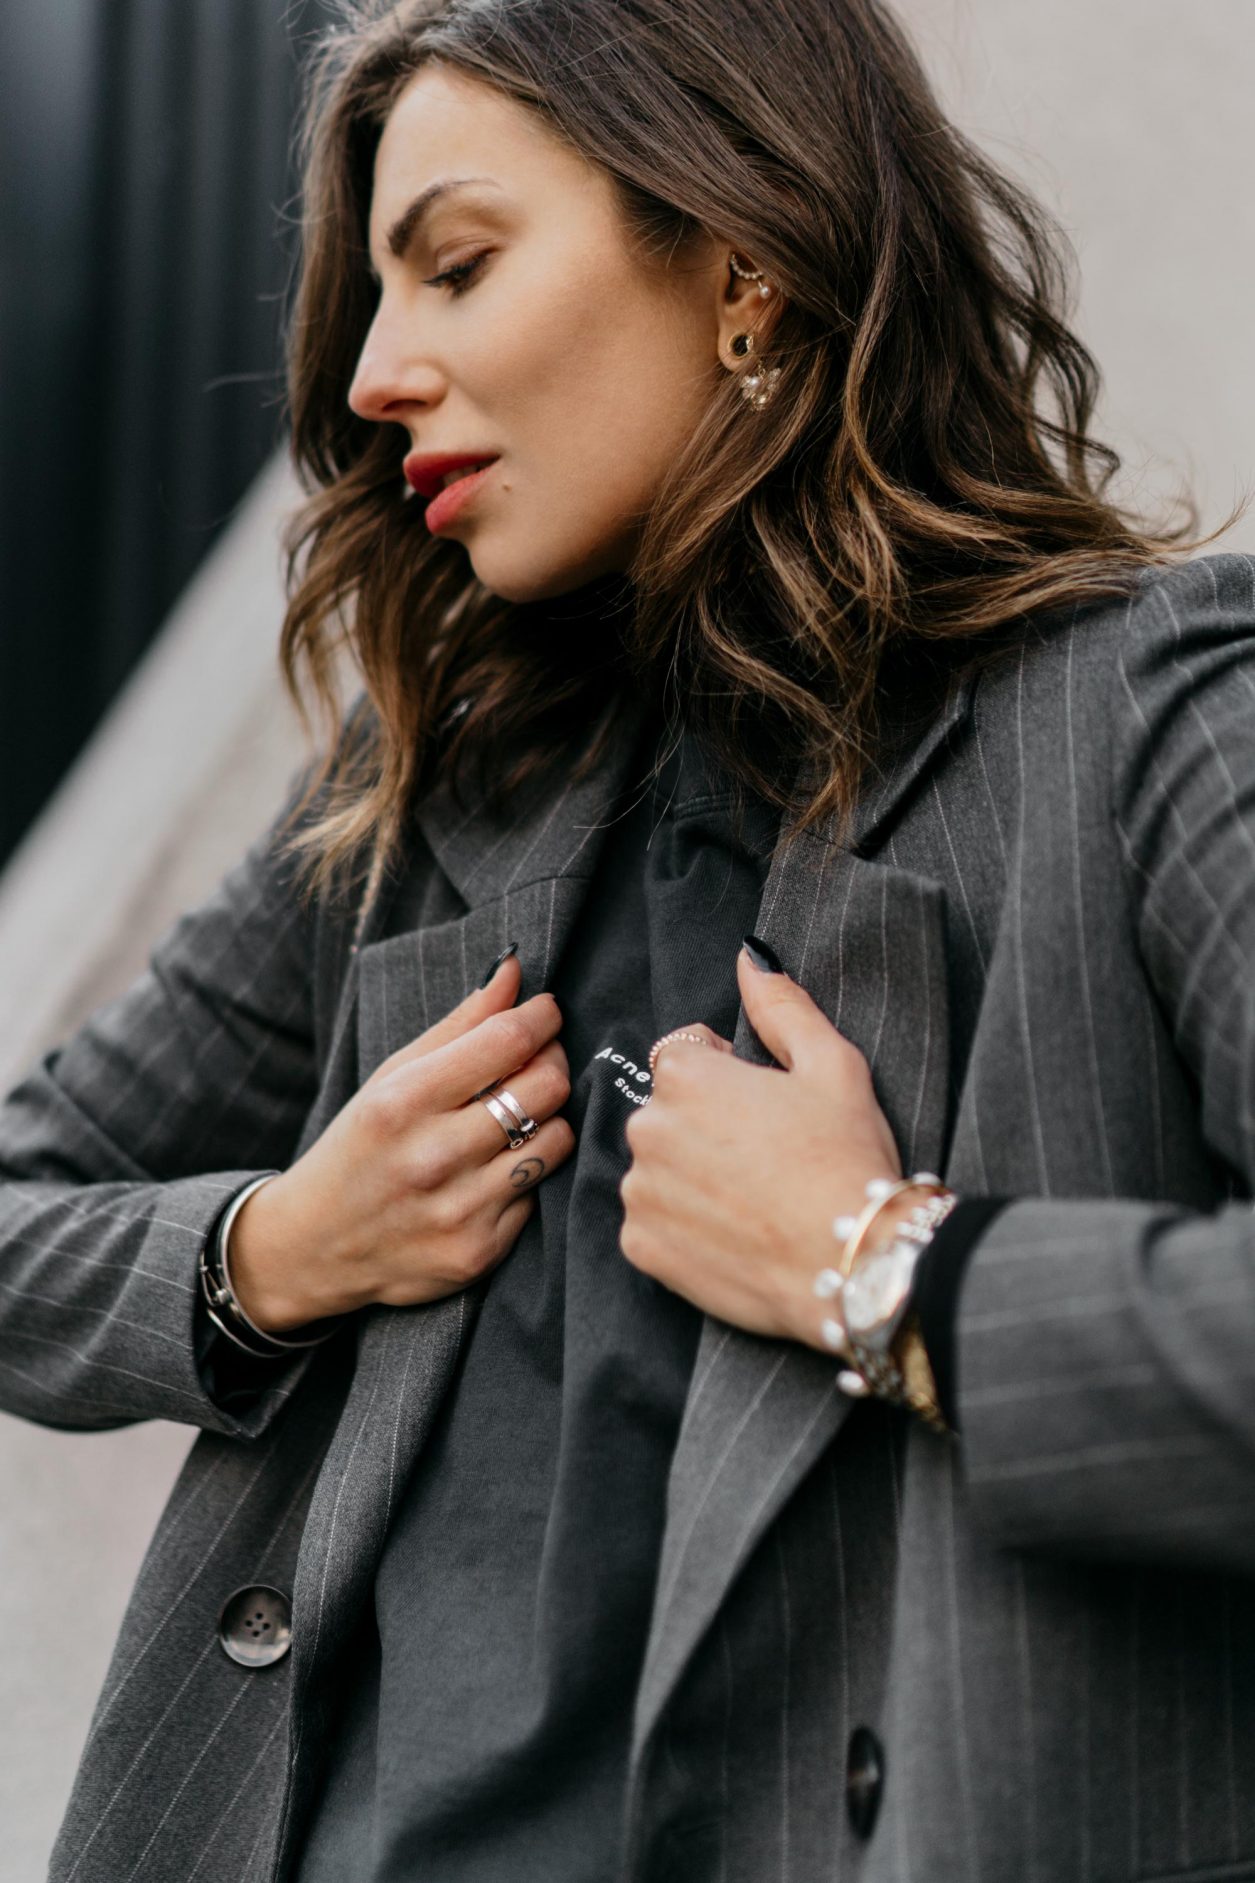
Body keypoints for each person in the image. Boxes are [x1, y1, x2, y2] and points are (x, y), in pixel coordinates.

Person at [4, 0, 1253, 1876]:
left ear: (742, 260)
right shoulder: (430, 801)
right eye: (370, 300)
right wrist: (274, 1251)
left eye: (456, 264)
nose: (373, 375)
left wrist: (878, 1267)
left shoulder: (1155, 721)